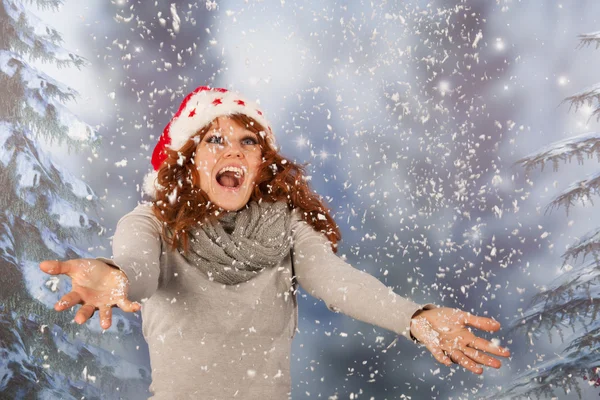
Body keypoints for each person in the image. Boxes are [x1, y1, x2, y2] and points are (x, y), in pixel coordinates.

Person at [39, 85, 511, 399]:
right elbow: (136, 271)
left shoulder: (286, 225)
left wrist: (414, 317)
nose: (234, 151)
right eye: (214, 140)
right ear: (188, 161)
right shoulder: (150, 223)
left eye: (248, 141)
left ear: (262, 161)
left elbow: (336, 281)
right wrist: (113, 279)